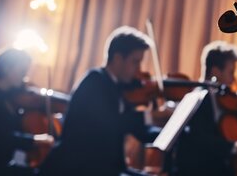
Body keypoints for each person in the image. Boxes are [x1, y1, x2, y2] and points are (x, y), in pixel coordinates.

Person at [40, 26, 160, 176]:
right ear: (117, 58)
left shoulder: (118, 87)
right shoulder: (94, 81)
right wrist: (150, 117)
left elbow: (139, 130)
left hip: (103, 168)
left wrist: (169, 134)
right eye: (135, 62)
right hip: (75, 168)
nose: (138, 70)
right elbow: (111, 123)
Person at [173, 40, 237, 175]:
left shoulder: (227, 99)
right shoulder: (199, 97)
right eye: (231, 72)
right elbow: (201, 139)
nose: (233, 80)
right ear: (215, 72)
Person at [0, 48, 54, 176]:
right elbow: (0, 137)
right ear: (8, 69)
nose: (25, 76)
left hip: (6, 162)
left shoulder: (13, 97)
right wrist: (35, 140)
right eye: (22, 70)